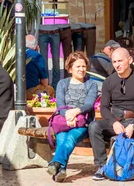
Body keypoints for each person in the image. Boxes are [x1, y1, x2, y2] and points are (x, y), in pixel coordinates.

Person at [89, 48, 134, 181]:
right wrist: (114, 122)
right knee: (94, 126)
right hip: (116, 121)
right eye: (114, 62)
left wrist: (133, 124)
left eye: (120, 61)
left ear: (129, 60)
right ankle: (102, 166)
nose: (117, 65)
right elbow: (104, 108)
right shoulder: (109, 81)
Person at [47, 52, 98, 182]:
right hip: (64, 122)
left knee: (70, 138)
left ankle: (55, 163)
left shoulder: (91, 84)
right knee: (62, 138)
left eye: (84, 66)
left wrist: (75, 112)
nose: (82, 69)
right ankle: (61, 170)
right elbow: (60, 104)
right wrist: (69, 117)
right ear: (70, 69)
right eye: (78, 66)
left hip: (83, 122)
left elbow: (89, 104)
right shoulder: (62, 84)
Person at [25, 34, 54, 99]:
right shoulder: (37, 56)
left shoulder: (16, 53)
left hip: (15, 91)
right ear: (36, 46)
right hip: (30, 90)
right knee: (50, 89)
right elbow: (44, 82)